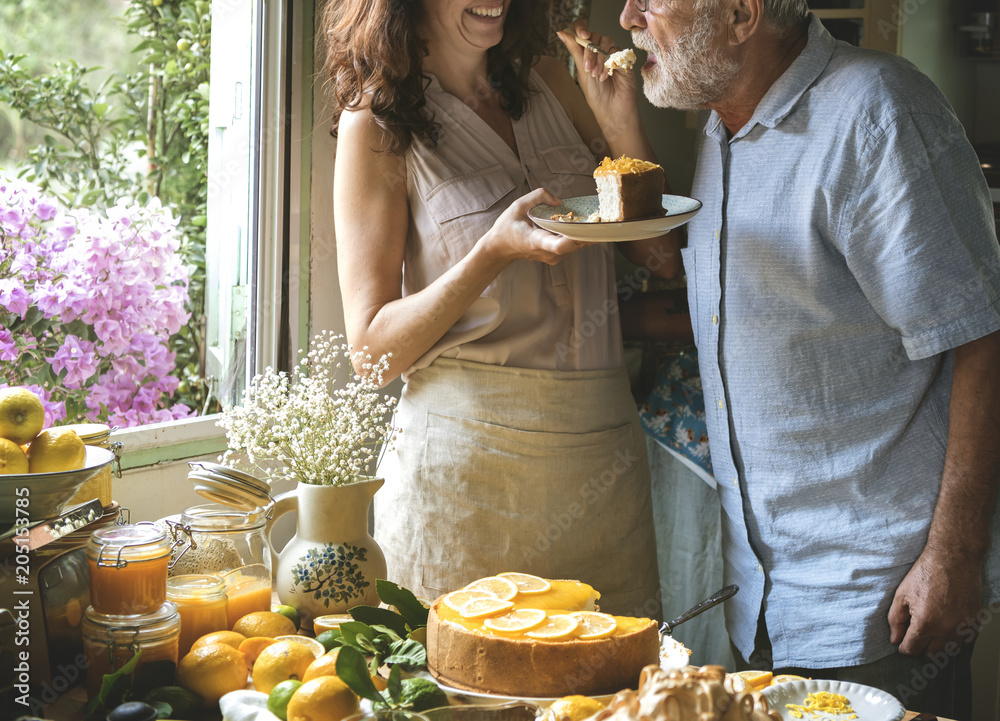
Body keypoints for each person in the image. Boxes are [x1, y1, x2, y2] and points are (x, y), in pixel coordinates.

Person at [559, 0, 1000, 716]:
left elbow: (982, 336)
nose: (630, 15)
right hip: (761, 606)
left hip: (883, 606)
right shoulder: (724, 123)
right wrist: (619, 122)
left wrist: (953, 555)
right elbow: (679, 268)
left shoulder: (877, 113)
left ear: (740, 14)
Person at [319, 0, 679, 617]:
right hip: (464, 477)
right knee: (467, 700)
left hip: (601, 460)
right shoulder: (376, 126)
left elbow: (662, 258)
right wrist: (489, 254)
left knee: (608, 702)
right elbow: (372, 354)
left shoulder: (548, 84)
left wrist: (620, 124)